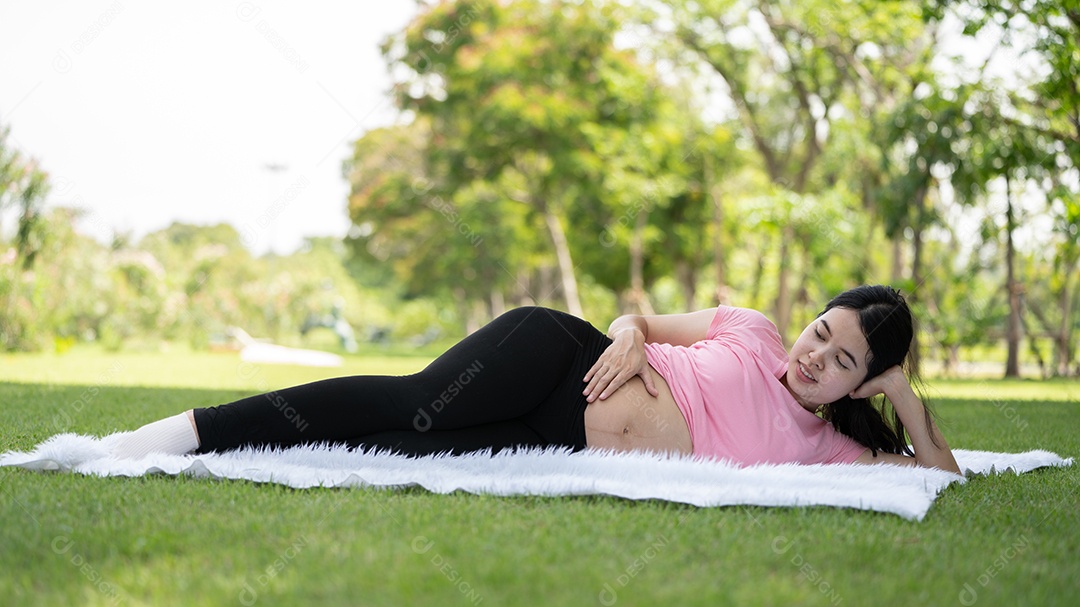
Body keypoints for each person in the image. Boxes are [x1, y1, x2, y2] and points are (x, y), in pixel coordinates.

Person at [112, 285, 961, 474]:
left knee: (391, 451)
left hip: (557, 433)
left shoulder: (825, 449)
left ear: (863, 384)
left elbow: (936, 479)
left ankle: (206, 448)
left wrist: (908, 402)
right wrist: (628, 336)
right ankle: (190, 427)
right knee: (413, 408)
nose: (813, 355)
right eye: (823, 331)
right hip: (559, 354)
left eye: (843, 359)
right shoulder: (752, 329)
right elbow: (637, 318)